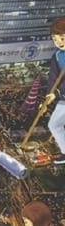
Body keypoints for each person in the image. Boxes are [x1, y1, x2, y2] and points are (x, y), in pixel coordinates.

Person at [47, 17, 65, 164]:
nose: (59, 42)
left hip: (62, 94)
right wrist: (50, 92)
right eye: (55, 38)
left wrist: (57, 93)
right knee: (54, 124)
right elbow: (53, 75)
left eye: (62, 38)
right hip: (63, 98)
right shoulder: (57, 55)